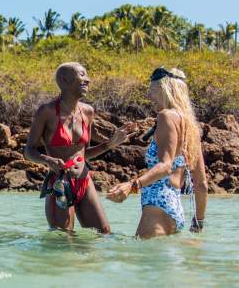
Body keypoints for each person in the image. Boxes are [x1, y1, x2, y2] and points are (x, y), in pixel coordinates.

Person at [24, 62, 135, 233]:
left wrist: (109, 144)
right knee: (64, 238)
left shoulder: (88, 112)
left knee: (104, 233)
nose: (87, 80)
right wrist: (48, 160)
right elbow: (29, 151)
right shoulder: (46, 112)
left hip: (84, 181)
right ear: (64, 80)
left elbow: (84, 153)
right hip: (60, 184)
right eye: (82, 75)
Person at [107, 67, 208, 238]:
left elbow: (165, 166)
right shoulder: (191, 126)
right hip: (175, 210)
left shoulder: (166, 116)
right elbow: (202, 184)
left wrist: (132, 185)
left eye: (153, 90)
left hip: (157, 205)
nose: (149, 96)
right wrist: (199, 222)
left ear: (166, 90)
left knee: (145, 261)